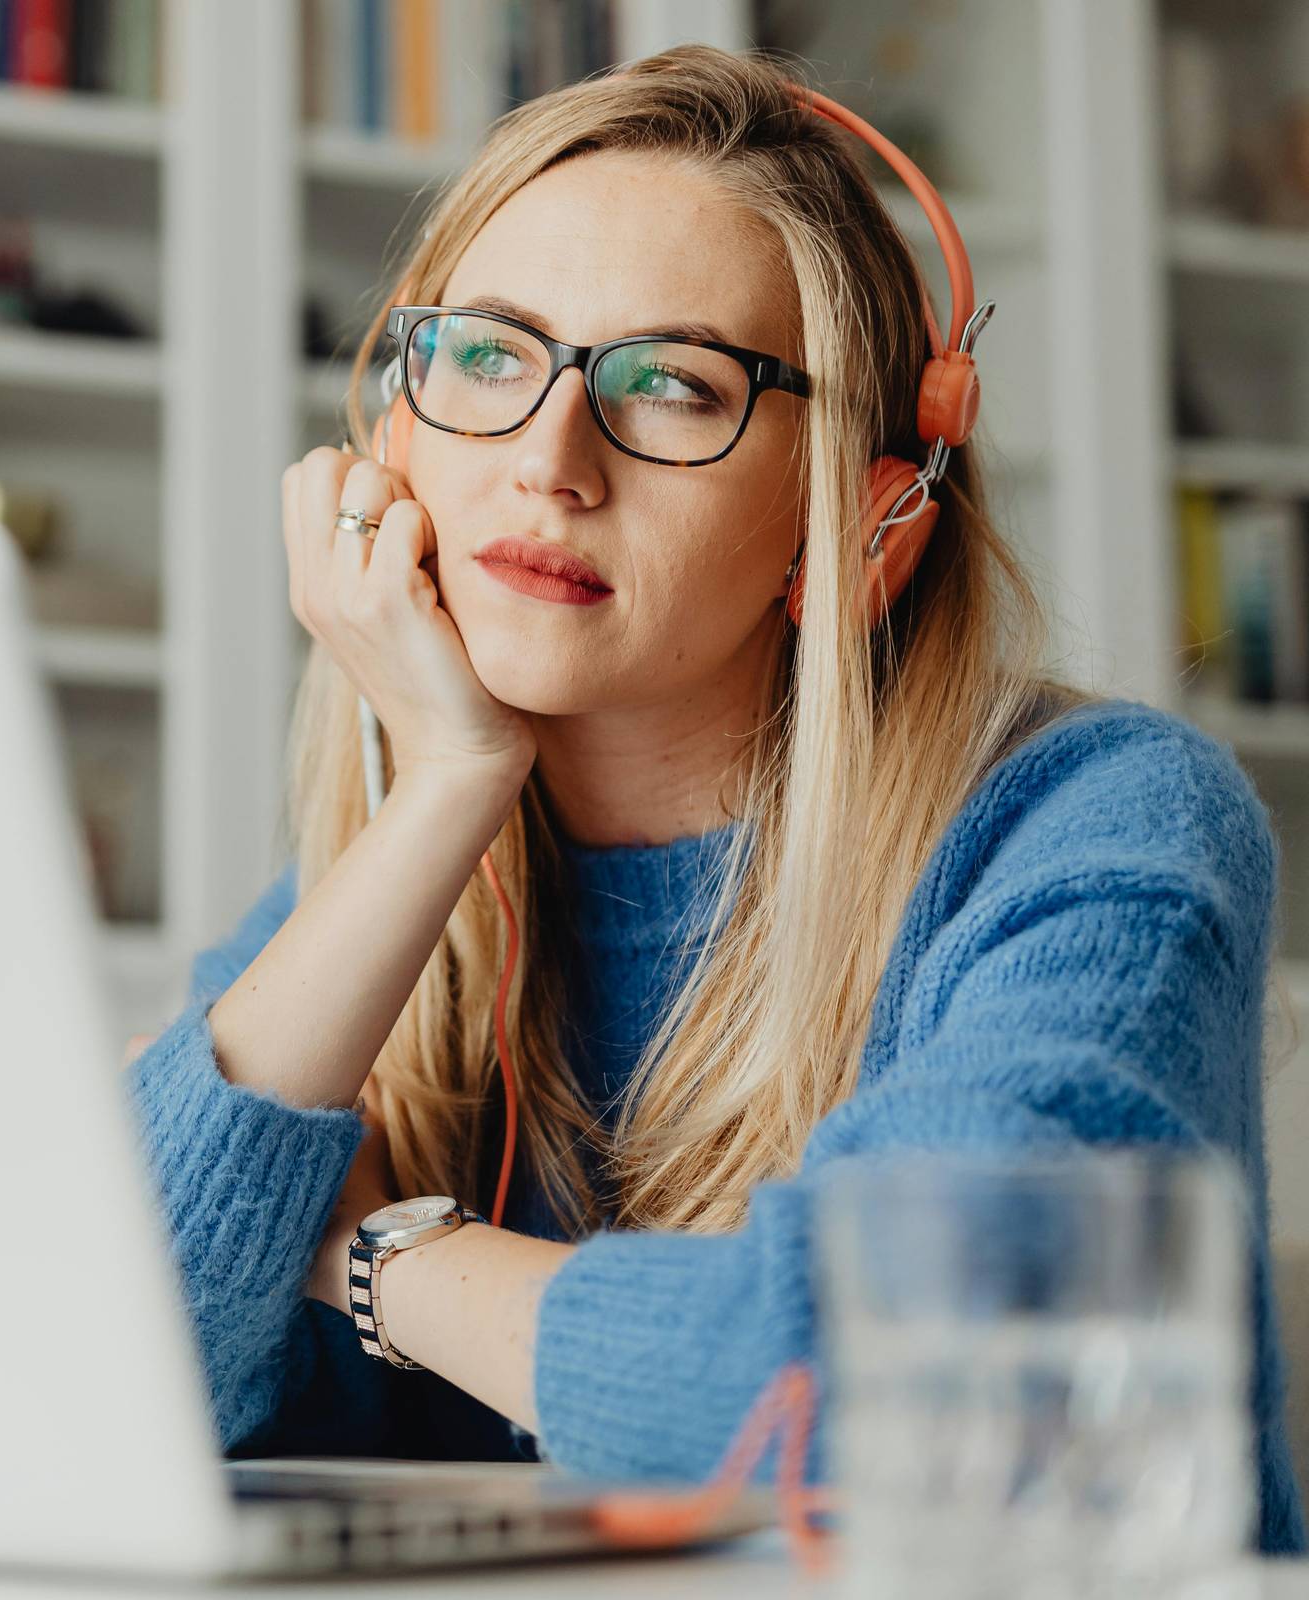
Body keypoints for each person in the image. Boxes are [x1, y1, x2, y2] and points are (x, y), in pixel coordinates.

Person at [120, 44, 1307, 1554]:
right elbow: (96, 1365)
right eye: (489, 354)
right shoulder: (393, 895)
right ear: (391, 435)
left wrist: (367, 1257)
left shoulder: (1092, 827)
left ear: (870, 525)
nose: (551, 462)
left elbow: (877, 1384)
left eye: (673, 386)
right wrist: (447, 786)